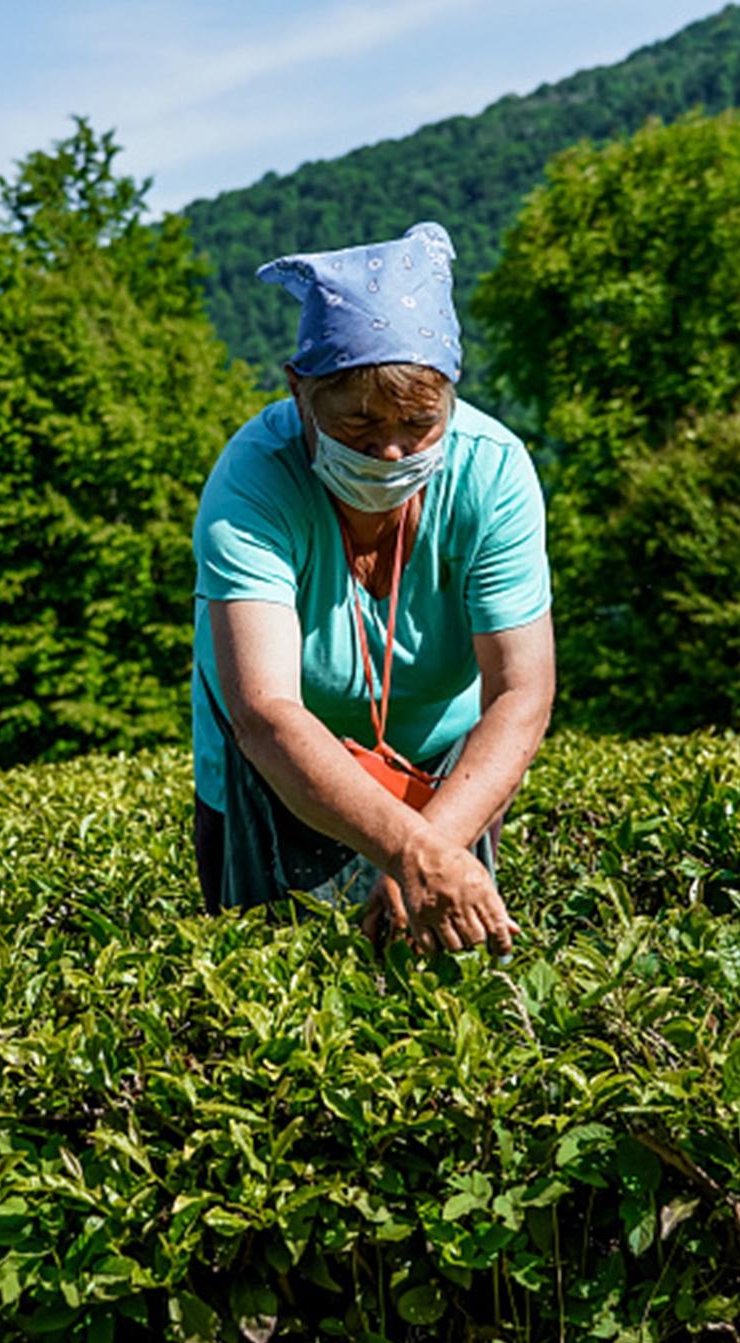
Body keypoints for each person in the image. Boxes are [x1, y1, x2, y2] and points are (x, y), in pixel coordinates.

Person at [190, 222, 554, 955]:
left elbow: (521, 693)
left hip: (449, 774)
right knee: (272, 989)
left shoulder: (493, 472)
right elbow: (264, 713)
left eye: (419, 424)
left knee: (440, 984)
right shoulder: (254, 480)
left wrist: (426, 847)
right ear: (300, 393)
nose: (389, 450)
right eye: (356, 422)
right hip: (283, 770)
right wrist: (407, 849)